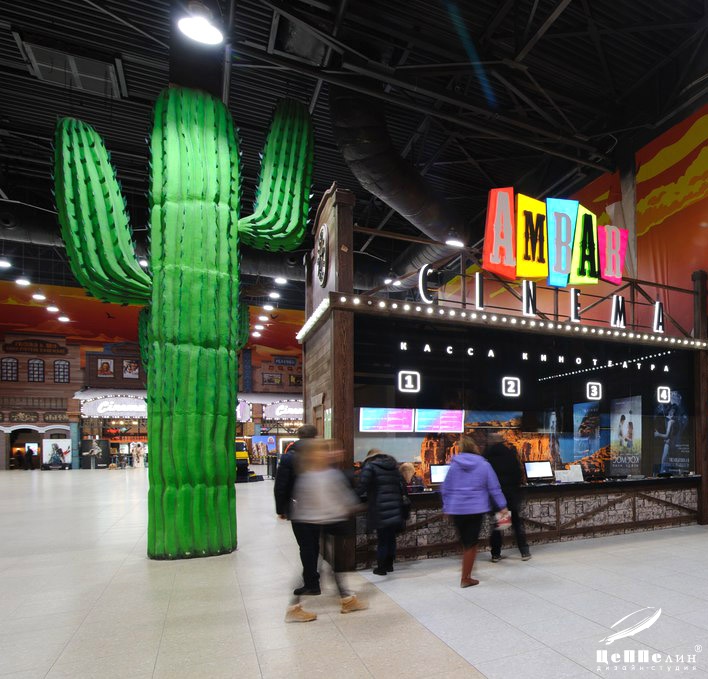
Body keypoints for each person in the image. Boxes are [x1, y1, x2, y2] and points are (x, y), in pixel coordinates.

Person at [285, 439, 367, 622]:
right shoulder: (323, 475)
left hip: (317, 525)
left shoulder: (311, 474)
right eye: (324, 451)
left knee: (327, 565)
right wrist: (353, 507)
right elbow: (338, 500)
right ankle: (294, 608)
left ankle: (346, 599)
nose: (330, 454)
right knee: (314, 568)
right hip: (315, 525)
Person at [442, 435, 509, 587]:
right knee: (471, 543)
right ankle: (465, 578)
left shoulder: (454, 465)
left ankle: (467, 569)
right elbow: (494, 488)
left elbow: (446, 488)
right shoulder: (484, 465)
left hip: (457, 509)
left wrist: (446, 507)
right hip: (475, 508)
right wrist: (502, 506)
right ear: (475, 448)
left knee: (465, 542)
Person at [274, 424, 320, 595]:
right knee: (314, 543)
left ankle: (312, 583)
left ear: (299, 436)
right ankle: (313, 575)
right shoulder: (321, 455)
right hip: (320, 506)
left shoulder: (289, 458)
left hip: (300, 507)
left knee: (306, 546)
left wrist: (281, 509)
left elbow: (281, 486)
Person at [356, 448, 407, 576]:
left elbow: (362, 487)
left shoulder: (370, 467)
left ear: (369, 458)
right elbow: (402, 486)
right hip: (395, 506)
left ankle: (381, 568)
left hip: (380, 507)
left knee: (383, 539)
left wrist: (350, 497)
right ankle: (389, 565)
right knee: (391, 538)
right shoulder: (394, 467)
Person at [484, 435, 531, 562]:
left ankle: (495, 554)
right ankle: (524, 551)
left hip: (498, 497)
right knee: (516, 524)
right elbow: (518, 474)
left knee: (498, 525)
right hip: (511, 496)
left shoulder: (488, 457)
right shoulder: (510, 454)